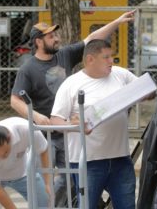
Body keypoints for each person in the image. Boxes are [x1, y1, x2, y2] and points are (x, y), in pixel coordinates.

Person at [10, 10, 135, 206]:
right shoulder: (28, 68)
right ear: (38, 42)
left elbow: (93, 39)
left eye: (55, 35)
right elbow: (15, 100)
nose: (56, 39)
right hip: (47, 134)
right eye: (50, 37)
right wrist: (36, 116)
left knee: (69, 180)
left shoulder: (64, 55)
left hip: (71, 133)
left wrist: (117, 22)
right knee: (43, 179)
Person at [51, 39, 141, 209]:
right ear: (90, 59)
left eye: (111, 56)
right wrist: (76, 125)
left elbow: (147, 91)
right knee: (87, 206)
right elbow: (55, 119)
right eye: (105, 57)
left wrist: (145, 92)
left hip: (120, 158)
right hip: (87, 161)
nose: (111, 61)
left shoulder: (121, 74)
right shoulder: (71, 84)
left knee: (127, 205)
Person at [0, 117, 50, 208]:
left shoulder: (26, 129)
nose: (2, 158)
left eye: (5, 153)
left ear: (9, 138)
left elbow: (43, 149)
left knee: (44, 203)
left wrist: (47, 183)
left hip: (22, 173)